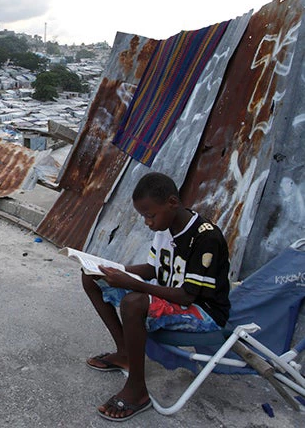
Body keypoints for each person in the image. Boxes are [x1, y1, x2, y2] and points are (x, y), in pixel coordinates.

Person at [82, 172, 231, 422]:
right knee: (91, 278)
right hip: (174, 298)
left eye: (150, 215)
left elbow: (187, 296)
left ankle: (137, 390)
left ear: (172, 202)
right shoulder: (166, 226)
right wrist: (111, 269)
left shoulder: (206, 237)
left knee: (134, 302)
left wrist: (129, 282)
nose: (147, 223)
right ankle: (125, 353)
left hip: (203, 311)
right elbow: (154, 270)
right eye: (144, 216)